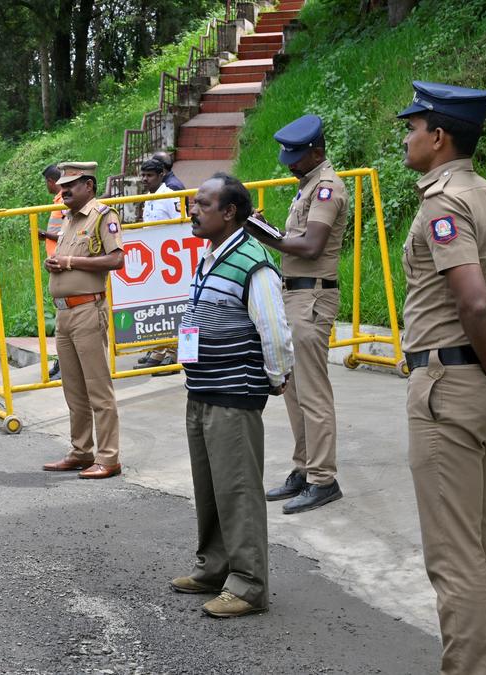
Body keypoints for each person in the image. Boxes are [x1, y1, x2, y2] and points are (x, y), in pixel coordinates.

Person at [396, 80, 486, 674]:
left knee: (455, 560)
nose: (406, 137)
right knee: (483, 551)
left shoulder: (444, 203)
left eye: (413, 127)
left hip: (448, 386)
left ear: (438, 136)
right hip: (476, 383)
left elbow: (476, 304)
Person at [170, 173, 294, 618]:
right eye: (194, 204)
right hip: (202, 389)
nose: (193, 211)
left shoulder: (252, 261)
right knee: (210, 488)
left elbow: (273, 327)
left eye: (203, 205)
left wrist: (278, 375)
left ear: (229, 212)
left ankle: (248, 585)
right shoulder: (210, 256)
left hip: (232, 392)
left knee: (237, 489)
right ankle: (214, 568)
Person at [247, 114, 350, 514]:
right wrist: (268, 228)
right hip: (295, 299)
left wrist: (261, 232)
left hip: (312, 300)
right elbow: (294, 239)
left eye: (297, 156)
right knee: (293, 390)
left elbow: (309, 246)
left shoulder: (326, 189)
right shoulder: (307, 185)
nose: (289, 163)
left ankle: (323, 479)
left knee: (313, 393)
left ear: (317, 152)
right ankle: (304, 468)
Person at [40, 161, 125, 480]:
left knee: (98, 389)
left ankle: (109, 457)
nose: (62, 191)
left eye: (70, 186)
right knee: (73, 389)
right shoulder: (68, 219)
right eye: (61, 186)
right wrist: (55, 265)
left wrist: (70, 261)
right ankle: (81, 451)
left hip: (88, 310)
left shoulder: (103, 216)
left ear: (88, 186)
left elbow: (117, 259)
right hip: (64, 314)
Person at [136, 157, 184, 371]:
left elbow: (180, 225)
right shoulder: (148, 197)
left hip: (171, 261)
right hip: (153, 260)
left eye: (149, 175)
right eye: (143, 175)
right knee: (157, 307)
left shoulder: (169, 195)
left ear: (160, 175)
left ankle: (173, 352)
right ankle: (158, 349)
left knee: (173, 306)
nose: (145, 179)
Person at [41, 164, 66, 379]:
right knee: (60, 312)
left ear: (51, 181)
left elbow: (69, 234)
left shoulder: (65, 201)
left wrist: (45, 234)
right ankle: (61, 361)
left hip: (62, 263)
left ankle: (64, 362)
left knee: (64, 314)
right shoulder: (59, 201)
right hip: (56, 263)